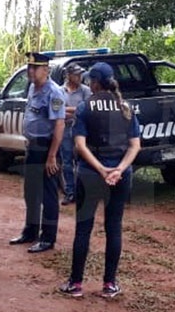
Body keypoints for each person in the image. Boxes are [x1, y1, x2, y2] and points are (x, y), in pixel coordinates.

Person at [57, 62, 141, 299]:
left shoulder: (85, 107)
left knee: (84, 229)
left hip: (90, 175)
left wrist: (101, 169)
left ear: (94, 83)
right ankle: (110, 284)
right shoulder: (125, 107)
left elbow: (80, 145)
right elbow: (135, 146)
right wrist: (119, 169)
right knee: (114, 227)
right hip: (120, 176)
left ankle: (75, 284)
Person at [9, 52, 67, 253]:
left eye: (35, 68)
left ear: (46, 70)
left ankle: (48, 238)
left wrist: (52, 156)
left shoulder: (54, 93)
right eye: (29, 67)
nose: (30, 71)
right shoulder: (33, 87)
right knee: (31, 191)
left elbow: (59, 125)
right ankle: (30, 231)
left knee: (48, 194)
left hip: (47, 148)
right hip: (33, 147)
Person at [59, 63, 92, 206]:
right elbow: (57, 110)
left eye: (80, 74)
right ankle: (70, 192)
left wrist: (68, 109)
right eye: (76, 74)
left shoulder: (86, 90)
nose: (79, 77)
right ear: (68, 76)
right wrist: (76, 110)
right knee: (67, 162)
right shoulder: (60, 91)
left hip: (81, 129)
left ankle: (83, 192)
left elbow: (87, 109)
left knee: (83, 160)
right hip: (65, 128)